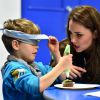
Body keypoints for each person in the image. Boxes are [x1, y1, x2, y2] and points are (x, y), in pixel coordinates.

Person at [1, 18, 72, 100]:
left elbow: (62, 78)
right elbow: (35, 87)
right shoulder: (13, 69)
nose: (37, 46)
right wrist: (60, 66)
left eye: (37, 42)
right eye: (32, 42)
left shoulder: (36, 66)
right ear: (16, 45)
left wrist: (56, 53)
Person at [66, 5, 100, 84]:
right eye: (70, 33)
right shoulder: (64, 48)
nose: (72, 40)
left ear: (95, 34)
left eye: (79, 35)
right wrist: (61, 69)